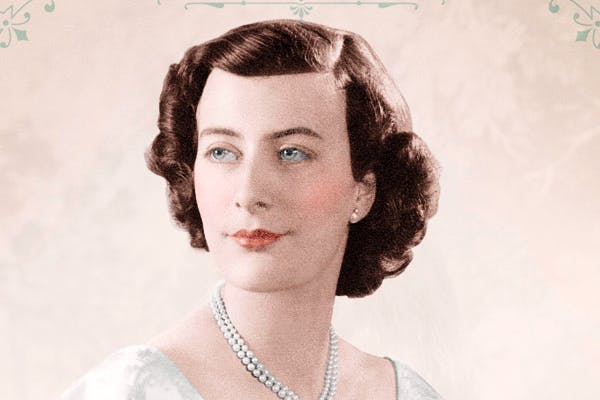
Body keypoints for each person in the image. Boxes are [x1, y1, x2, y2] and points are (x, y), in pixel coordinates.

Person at [61, 19, 442, 400]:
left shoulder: (403, 392)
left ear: (363, 191)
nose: (249, 193)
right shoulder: (133, 389)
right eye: (222, 152)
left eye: (291, 153)